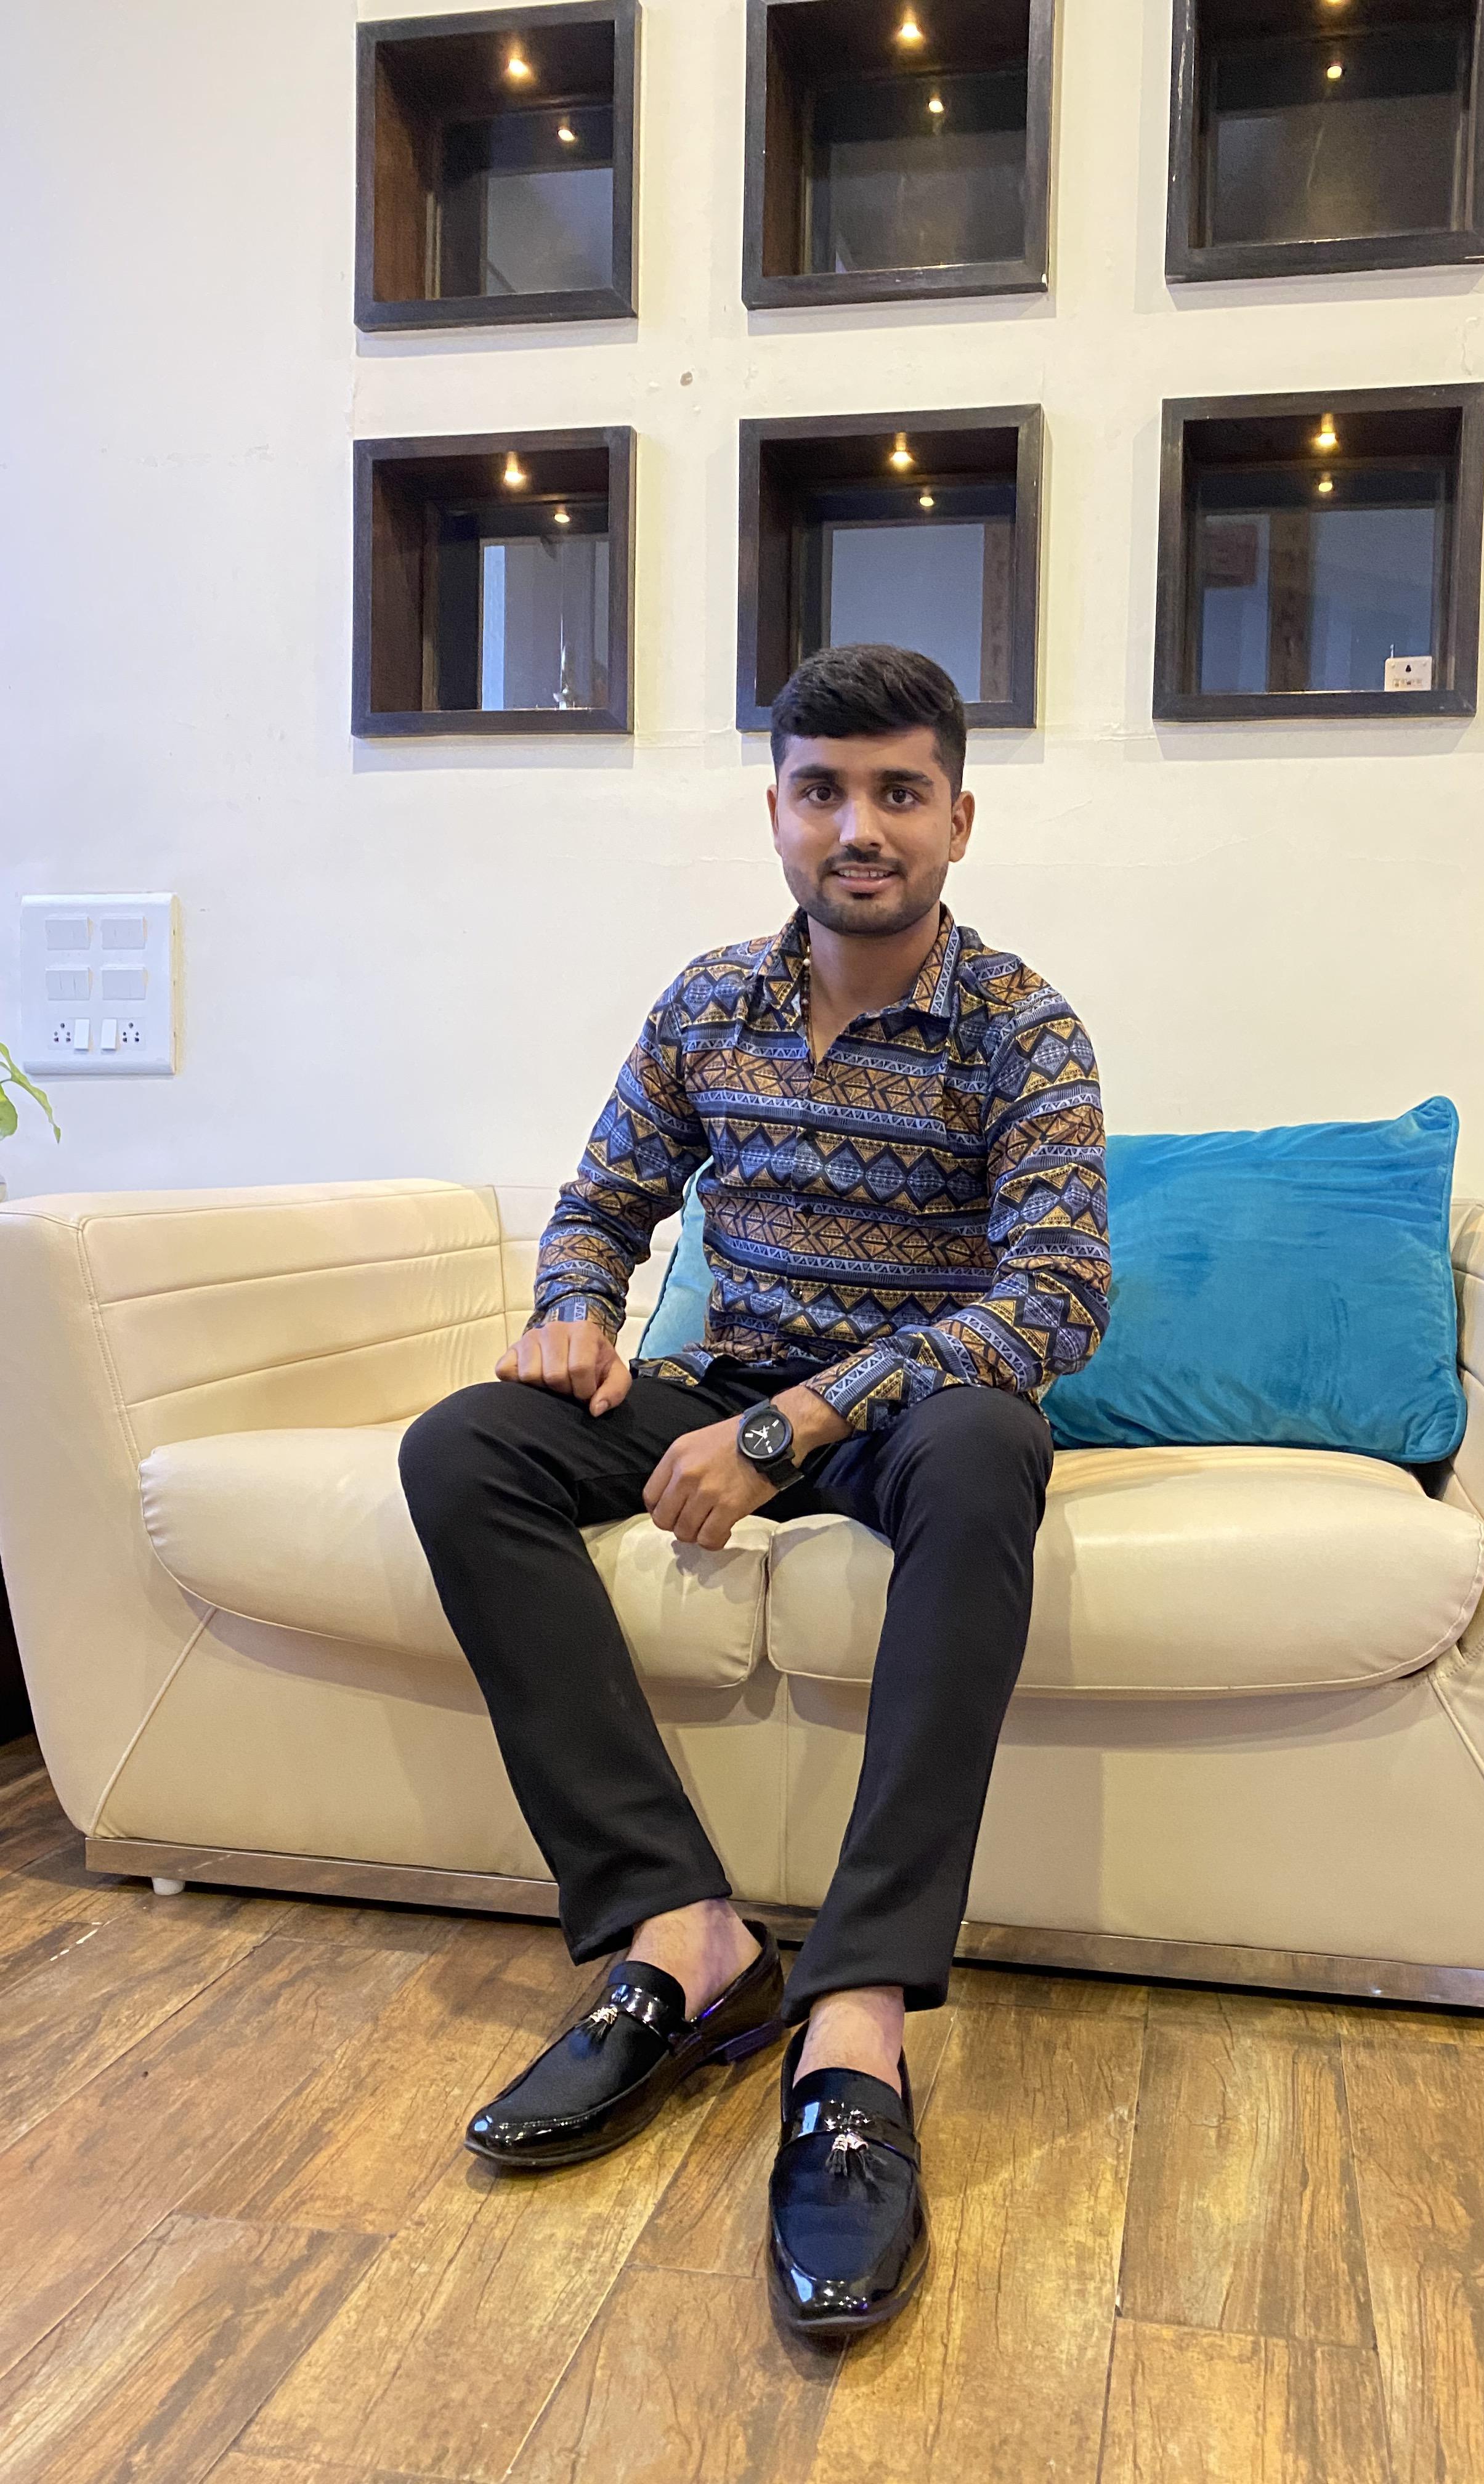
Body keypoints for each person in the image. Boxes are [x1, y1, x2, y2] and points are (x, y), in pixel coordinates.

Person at [399, 643, 1108, 2339]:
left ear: (957, 818)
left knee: (992, 1447)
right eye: (823, 791)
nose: (860, 828)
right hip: (725, 1377)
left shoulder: (1024, 1028)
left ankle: (855, 2026)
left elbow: (1057, 1297)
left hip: (906, 1411)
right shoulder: (709, 1001)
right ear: (778, 810)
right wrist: (577, 1308)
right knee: (464, 1445)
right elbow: (604, 1197)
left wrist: (790, 1430)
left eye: (898, 793)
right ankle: (683, 1935)